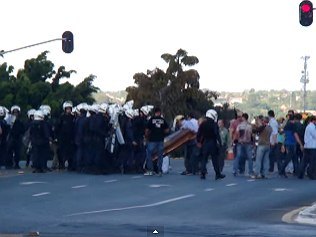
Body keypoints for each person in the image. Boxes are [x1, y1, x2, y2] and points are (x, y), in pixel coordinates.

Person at [196, 109, 225, 180]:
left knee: (204, 159)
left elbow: (199, 134)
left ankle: (203, 174)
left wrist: (199, 141)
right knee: (214, 159)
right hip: (212, 142)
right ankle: (217, 174)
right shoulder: (214, 124)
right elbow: (216, 134)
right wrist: (220, 143)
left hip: (205, 142)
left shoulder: (203, 124)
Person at [144, 107, 169, 176]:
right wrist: (162, 133)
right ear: (159, 112)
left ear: (154, 112)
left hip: (152, 140)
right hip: (160, 140)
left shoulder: (151, 120)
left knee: (149, 154)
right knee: (160, 155)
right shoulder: (163, 120)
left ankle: (150, 170)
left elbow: (147, 130)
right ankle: (159, 171)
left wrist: (146, 136)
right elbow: (167, 130)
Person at [56, 101, 75, 170]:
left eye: (70, 109)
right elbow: (57, 127)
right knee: (61, 151)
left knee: (70, 152)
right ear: (64, 109)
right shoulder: (61, 117)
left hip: (70, 138)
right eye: (67, 109)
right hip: (62, 138)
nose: (68, 110)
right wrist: (57, 137)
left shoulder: (73, 117)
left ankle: (71, 165)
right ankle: (61, 164)